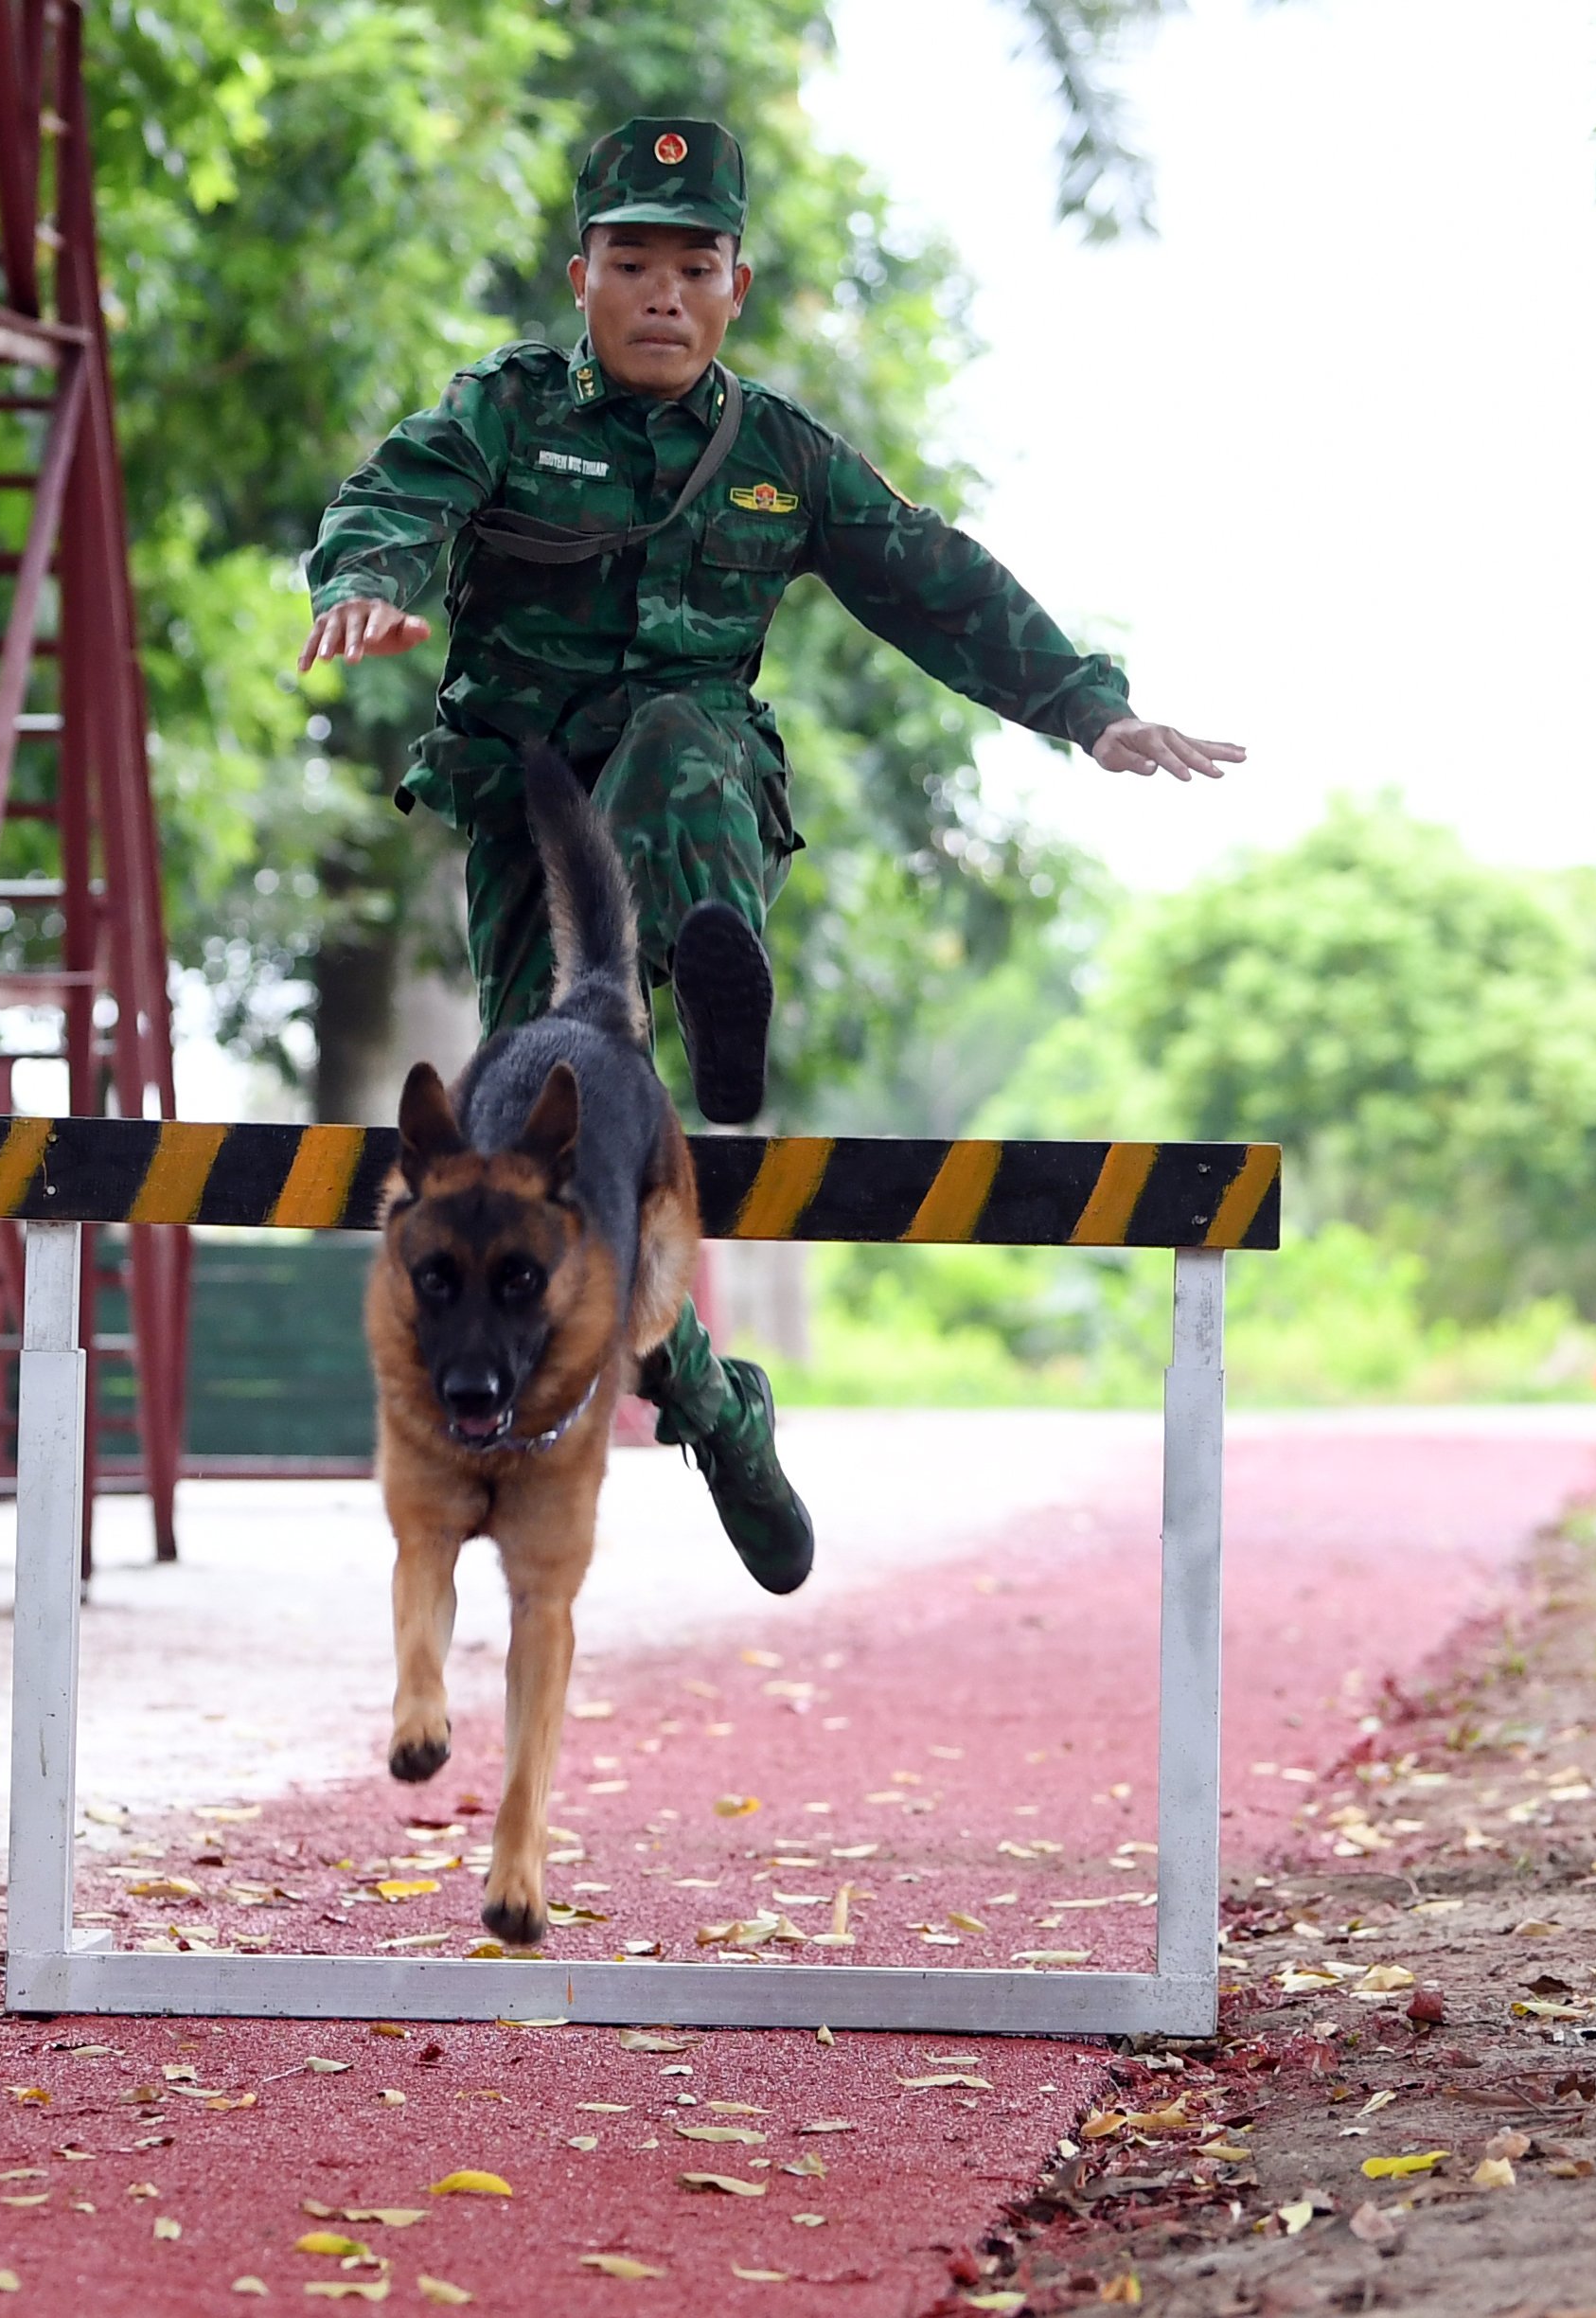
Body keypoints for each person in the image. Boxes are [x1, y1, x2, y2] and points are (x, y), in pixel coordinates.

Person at [299, 116, 1243, 1596]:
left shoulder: (775, 456)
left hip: (693, 813)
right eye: (632, 265)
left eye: (694, 267)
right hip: (528, 826)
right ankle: (721, 1413)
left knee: (688, 724)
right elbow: (396, 496)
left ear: (737, 287)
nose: (663, 295)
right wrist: (367, 582)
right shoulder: (505, 412)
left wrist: (1088, 710)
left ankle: (715, 971)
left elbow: (930, 575)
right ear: (582, 280)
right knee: (540, 1188)